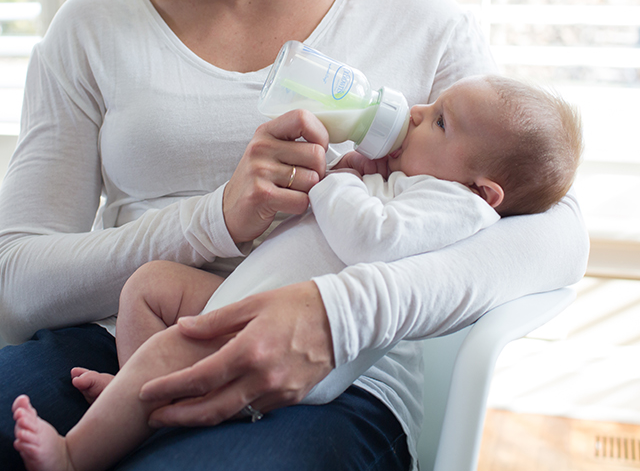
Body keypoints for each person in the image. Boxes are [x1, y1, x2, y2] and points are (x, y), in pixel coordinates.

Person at [0, 0, 589, 469]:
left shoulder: (423, 22)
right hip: (119, 339)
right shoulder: (94, 28)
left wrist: (336, 316)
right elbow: (19, 280)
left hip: (330, 377)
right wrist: (214, 219)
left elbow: (554, 233)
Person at [11, 74, 584, 471]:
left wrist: (341, 180)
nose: (414, 112)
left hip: (298, 347)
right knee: (151, 285)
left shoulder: (457, 205)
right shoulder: (421, 182)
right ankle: (134, 392)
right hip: (241, 293)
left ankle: (75, 455)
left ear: (484, 191)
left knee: (173, 351)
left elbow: (372, 237)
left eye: (438, 122)